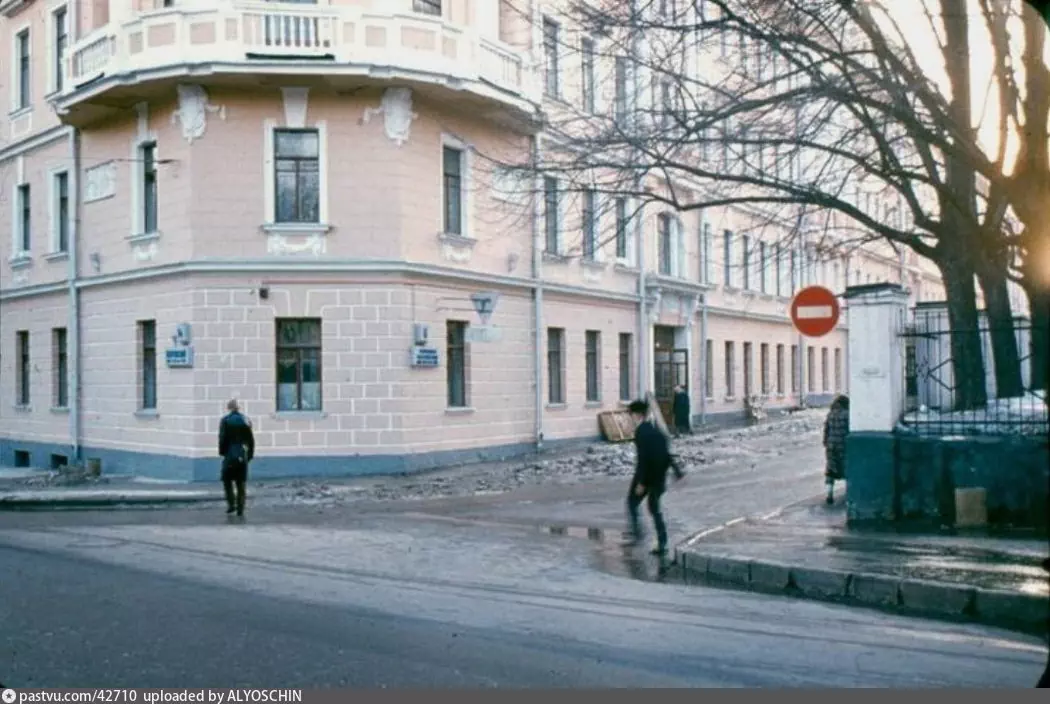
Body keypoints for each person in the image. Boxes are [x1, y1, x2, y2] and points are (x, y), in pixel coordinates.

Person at [623, 398, 685, 556]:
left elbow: (644, 459)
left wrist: (642, 482)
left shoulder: (641, 433)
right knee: (654, 508)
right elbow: (666, 454)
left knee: (632, 502)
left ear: (637, 415)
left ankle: (638, 534)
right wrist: (677, 471)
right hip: (659, 477)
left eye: (630, 415)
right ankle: (662, 542)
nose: (629, 419)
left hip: (647, 476)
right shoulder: (657, 431)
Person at [218, 398, 255, 517]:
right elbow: (251, 440)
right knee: (241, 483)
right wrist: (249, 455)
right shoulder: (245, 420)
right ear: (238, 408)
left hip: (229, 454)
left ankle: (231, 504)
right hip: (242, 454)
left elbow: (222, 439)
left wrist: (222, 452)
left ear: (229, 408)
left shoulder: (225, 420)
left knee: (227, 480)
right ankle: (240, 508)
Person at [823, 395, 850, 505]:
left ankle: (829, 494)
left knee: (830, 470)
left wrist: (826, 442)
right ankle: (849, 493)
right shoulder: (847, 415)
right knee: (847, 469)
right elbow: (849, 430)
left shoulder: (830, 414)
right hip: (843, 446)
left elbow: (826, 430)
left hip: (831, 446)